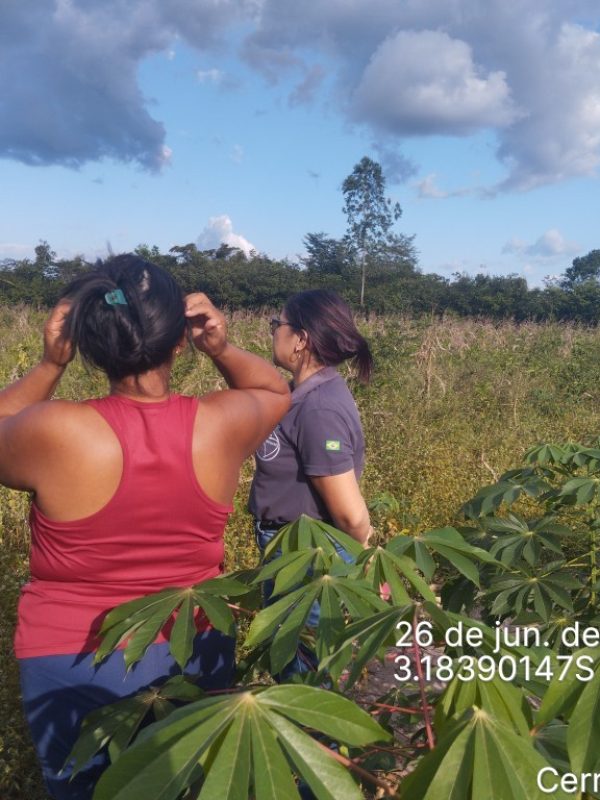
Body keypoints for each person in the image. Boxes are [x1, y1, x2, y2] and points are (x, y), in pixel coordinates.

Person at [0, 254, 290, 800]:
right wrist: (221, 347)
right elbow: (276, 392)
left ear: (87, 341)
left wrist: (48, 365)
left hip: (70, 654)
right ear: (178, 339)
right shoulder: (219, 424)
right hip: (192, 640)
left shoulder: (54, 431)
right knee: (187, 784)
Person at [248, 288, 373, 674]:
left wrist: (368, 563)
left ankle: (319, 738)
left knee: (302, 672)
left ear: (300, 338)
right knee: (292, 660)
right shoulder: (303, 394)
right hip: (289, 549)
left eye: (276, 324)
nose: (272, 332)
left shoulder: (319, 408)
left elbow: (350, 515)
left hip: (306, 556)